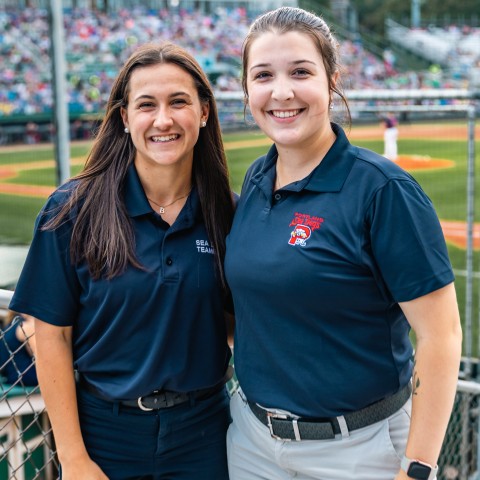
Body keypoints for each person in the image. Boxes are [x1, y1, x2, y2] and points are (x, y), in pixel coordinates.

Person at [224, 7, 462, 480]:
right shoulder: (254, 179)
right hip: (252, 442)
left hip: (358, 451)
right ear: (246, 89)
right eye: (263, 75)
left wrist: (417, 467)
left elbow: (442, 336)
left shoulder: (382, 190)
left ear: (332, 80)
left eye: (300, 72)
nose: (282, 91)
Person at [9, 42, 235, 480]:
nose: (163, 119)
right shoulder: (72, 210)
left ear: (204, 112)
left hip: (205, 432)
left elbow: (238, 319)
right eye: (146, 105)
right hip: (103, 434)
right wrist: (74, 459)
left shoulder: (228, 212)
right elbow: (51, 337)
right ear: (124, 118)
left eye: (179, 102)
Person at [0, 311, 37, 386]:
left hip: (11, 376)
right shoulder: (26, 326)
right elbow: (40, 356)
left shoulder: (12, 322)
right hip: (26, 376)